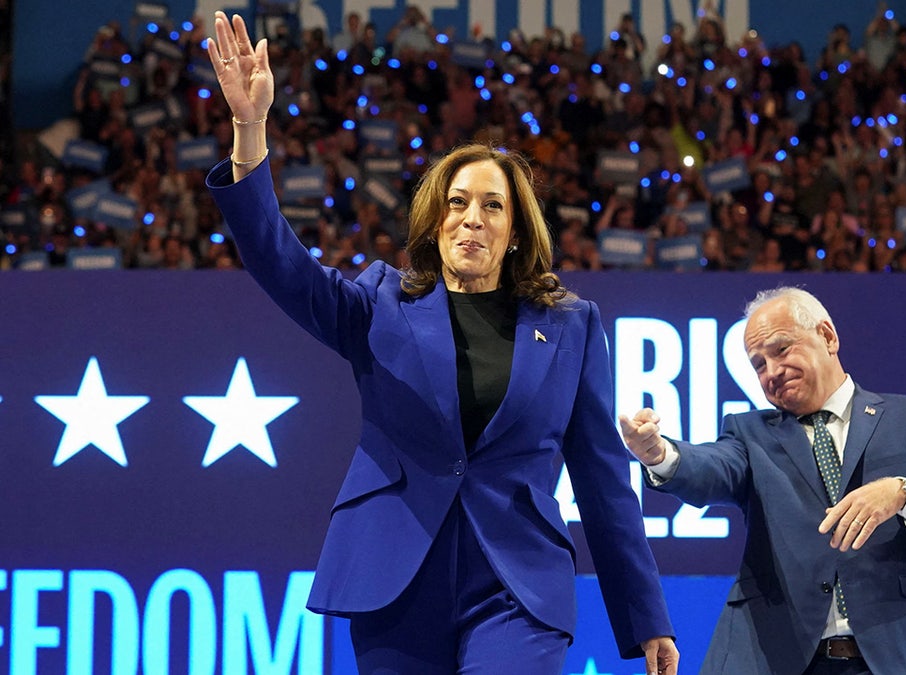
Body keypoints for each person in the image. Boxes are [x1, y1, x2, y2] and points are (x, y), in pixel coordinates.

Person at [203, 12, 677, 675]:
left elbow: (603, 481)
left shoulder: (572, 325)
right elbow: (283, 265)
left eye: (491, 205)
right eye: (457, 203)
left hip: (517, 586)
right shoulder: (381, 304)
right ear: (437, 219)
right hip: (395, 577)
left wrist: (646, 617)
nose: (471, 218)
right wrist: (249, 130)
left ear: (514, 230)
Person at [621, 286, 906, 674]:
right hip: (780, 658)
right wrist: (661, 455)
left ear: (828, 337)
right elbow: (713, 467)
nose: (772, 372)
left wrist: (903, 493)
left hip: (900, 656)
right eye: (759, 365)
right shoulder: (749, 433)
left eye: (781, 350)